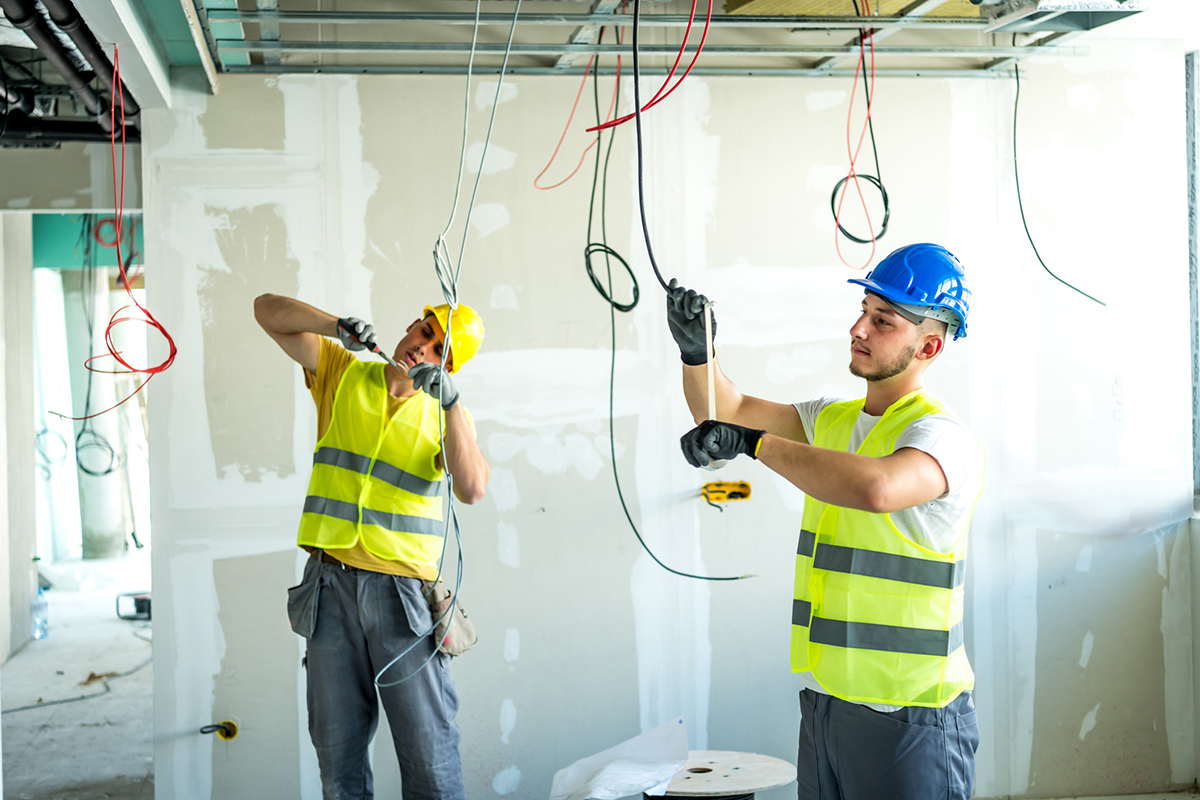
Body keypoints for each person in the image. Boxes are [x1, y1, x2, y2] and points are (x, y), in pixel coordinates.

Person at [667, 244, 985, 800]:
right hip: (828, 702)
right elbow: (726, 411)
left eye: (882, 321)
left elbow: (877, 488)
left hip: (912, 715)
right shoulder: (830, 419)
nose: (858, 327)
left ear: (928, 345)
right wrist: (699, 354)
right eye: (864, 310)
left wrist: (755, 445)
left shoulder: (942, 438)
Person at [254, 293, 489, 800]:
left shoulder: (449, 416)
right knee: (337, 757)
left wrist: (450, 404)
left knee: (429, 755)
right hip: (328, 586)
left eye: (440, 350)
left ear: (449, 368)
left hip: (403, 598)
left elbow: (472, 488)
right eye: (424, 333)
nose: (423, 349)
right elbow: (265, 311)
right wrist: (334, 325)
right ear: (409, 328)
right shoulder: (342, 372)